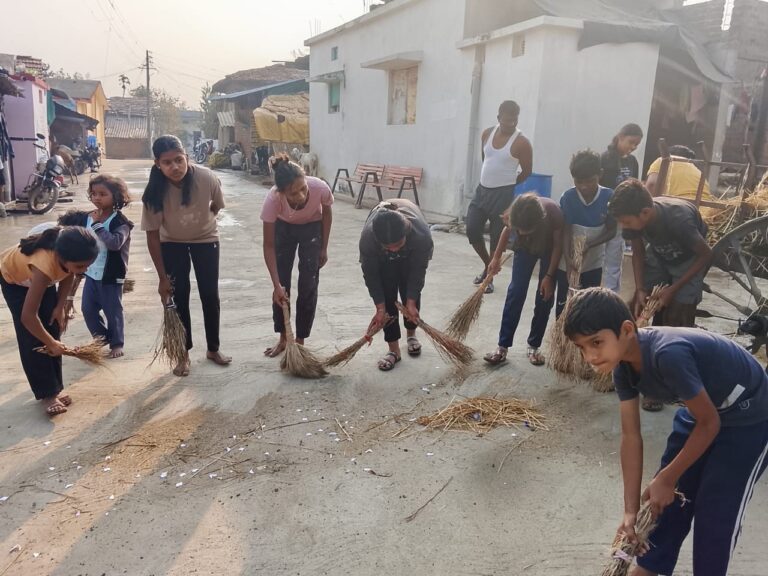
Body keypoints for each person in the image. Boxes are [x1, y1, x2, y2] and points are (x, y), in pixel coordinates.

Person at [563, 287, 768, 576]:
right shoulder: (623, 369)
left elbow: (710, 424)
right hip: (701, 411)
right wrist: (631, 512)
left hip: (750, 417)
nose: (590, 356)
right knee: (665, 503)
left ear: (626, 330)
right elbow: (630, 437)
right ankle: (648, 569)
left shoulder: (668, 354)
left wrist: (667, 477)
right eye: (582, 347)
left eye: (596, 342)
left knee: (716, 511)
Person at [609, 179, 712, 410]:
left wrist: (673, 290)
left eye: (627, 222)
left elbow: (706, 254)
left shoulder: (678, 220)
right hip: (659, 255)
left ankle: (671, 384)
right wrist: (640, 288)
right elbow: (638, 253)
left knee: (676, 319)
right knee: (638, 306)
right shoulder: (634, 218)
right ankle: (639, 372)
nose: (624, 226)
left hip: (689, 260)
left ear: (645, 213)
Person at [141, 135, 231, 377]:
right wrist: (162, 278)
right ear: (157, 164)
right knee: (179, 296)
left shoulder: (207, 177)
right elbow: (152, 236)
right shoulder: (154, 192)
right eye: (167, 162)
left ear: (187, 158)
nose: (175, 167)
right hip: (172, 244)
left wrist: (204, 221)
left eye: (179, 160)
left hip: (207, 241)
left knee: (210, 295)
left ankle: (213, 349)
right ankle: (183, 354)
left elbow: (217, 205)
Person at [0, 226, 99, 416]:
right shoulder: (44, 268)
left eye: (87, 266)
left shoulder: (67, 257)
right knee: (33, 338)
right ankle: (47, 394)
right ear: (61, 257)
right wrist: (50, 343)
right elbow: (28, 317)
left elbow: (68, 274)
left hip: (43, 279)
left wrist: (60, 307)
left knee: (53, 325)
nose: (84, 270)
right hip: (15, 281)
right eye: (80, 266)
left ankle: (55, 387)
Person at [261, 154, 333, 357]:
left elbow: (327, 214)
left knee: (308, 283)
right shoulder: (273, 199)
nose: (301, 196)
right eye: (293, 193)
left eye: (303, 188)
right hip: (284, 228)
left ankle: (300, 341)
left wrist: (323, 248)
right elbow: (268, 245)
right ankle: (284, 338)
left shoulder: (319, 188)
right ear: (282, 192)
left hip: (312, 227)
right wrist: (276, 284)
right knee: (282, 285)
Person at [483, 193, 564, 366]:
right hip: (524, 247)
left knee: (545, 296)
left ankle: (534, 346)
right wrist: (496, 258)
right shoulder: (518, 209)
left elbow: (558, 246)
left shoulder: (554, 213)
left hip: (549, 249)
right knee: (516, 291)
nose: (519, 232)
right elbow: (507, 229)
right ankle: (502, 346)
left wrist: (549, 276)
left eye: (523, 230)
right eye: (518, 230)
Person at [466, 100, 533, 294]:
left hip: (503, 194)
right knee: (472, 229)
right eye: (506, 121)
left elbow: (527, 171)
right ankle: (488, 265)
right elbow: (486, 159)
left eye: (514, 121)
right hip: (482, 191)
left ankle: (489, 277)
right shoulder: (487, 134)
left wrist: (508, 184)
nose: (510, 124)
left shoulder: (522, 142)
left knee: (497, 239)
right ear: (498, 118)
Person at [360, 199, 433, 371]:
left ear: (406, 234)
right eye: (388, 246)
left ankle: (411, 335)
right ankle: (394, 350)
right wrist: (379, 308)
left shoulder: (421, 236)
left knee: (411, 294)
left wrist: (411, 302)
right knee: (387, 299)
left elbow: (417, 273)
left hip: (410, 256)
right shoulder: (369, 239)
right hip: (382, 260)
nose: (393, 250)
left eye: (398, 244)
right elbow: (371, 276)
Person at [556, 150, 616, 316]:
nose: (584, 186)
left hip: (594, 262)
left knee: (588, 305)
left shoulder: (609, 197)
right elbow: (566, 230)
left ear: (600, 175)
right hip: (568, 260)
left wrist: (590, 244)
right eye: (578, 181)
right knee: (564, 304)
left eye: (590, 181)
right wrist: (568, 260)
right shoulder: (568, 197)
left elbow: (611, 230)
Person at [78, 175, 133, 358]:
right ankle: (101, 337)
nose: (97, 198)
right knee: (88, 309)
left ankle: (117, 343)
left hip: (110, 275)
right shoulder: (88, 217)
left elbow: (114, 243)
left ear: (116, 196)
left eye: (103, 194)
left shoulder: (120, 222)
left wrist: (97, 225)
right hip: (91, 273)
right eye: (94, 194)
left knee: (112, 311)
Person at [600, 123, 644, 293]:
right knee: (596, 260)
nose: (633, 147)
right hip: (603, 217)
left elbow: (635, 188)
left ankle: (611, 296)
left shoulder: (632, 161)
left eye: (636, 145)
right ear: (620, 137)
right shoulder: (605, 159)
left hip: (621, 219)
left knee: (614, 261)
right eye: (631, 142)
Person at [645, 145, 713, 202]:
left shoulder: (664, 161)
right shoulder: (697, 170)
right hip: (706, 208)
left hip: (680, 207)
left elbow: (651, 184)